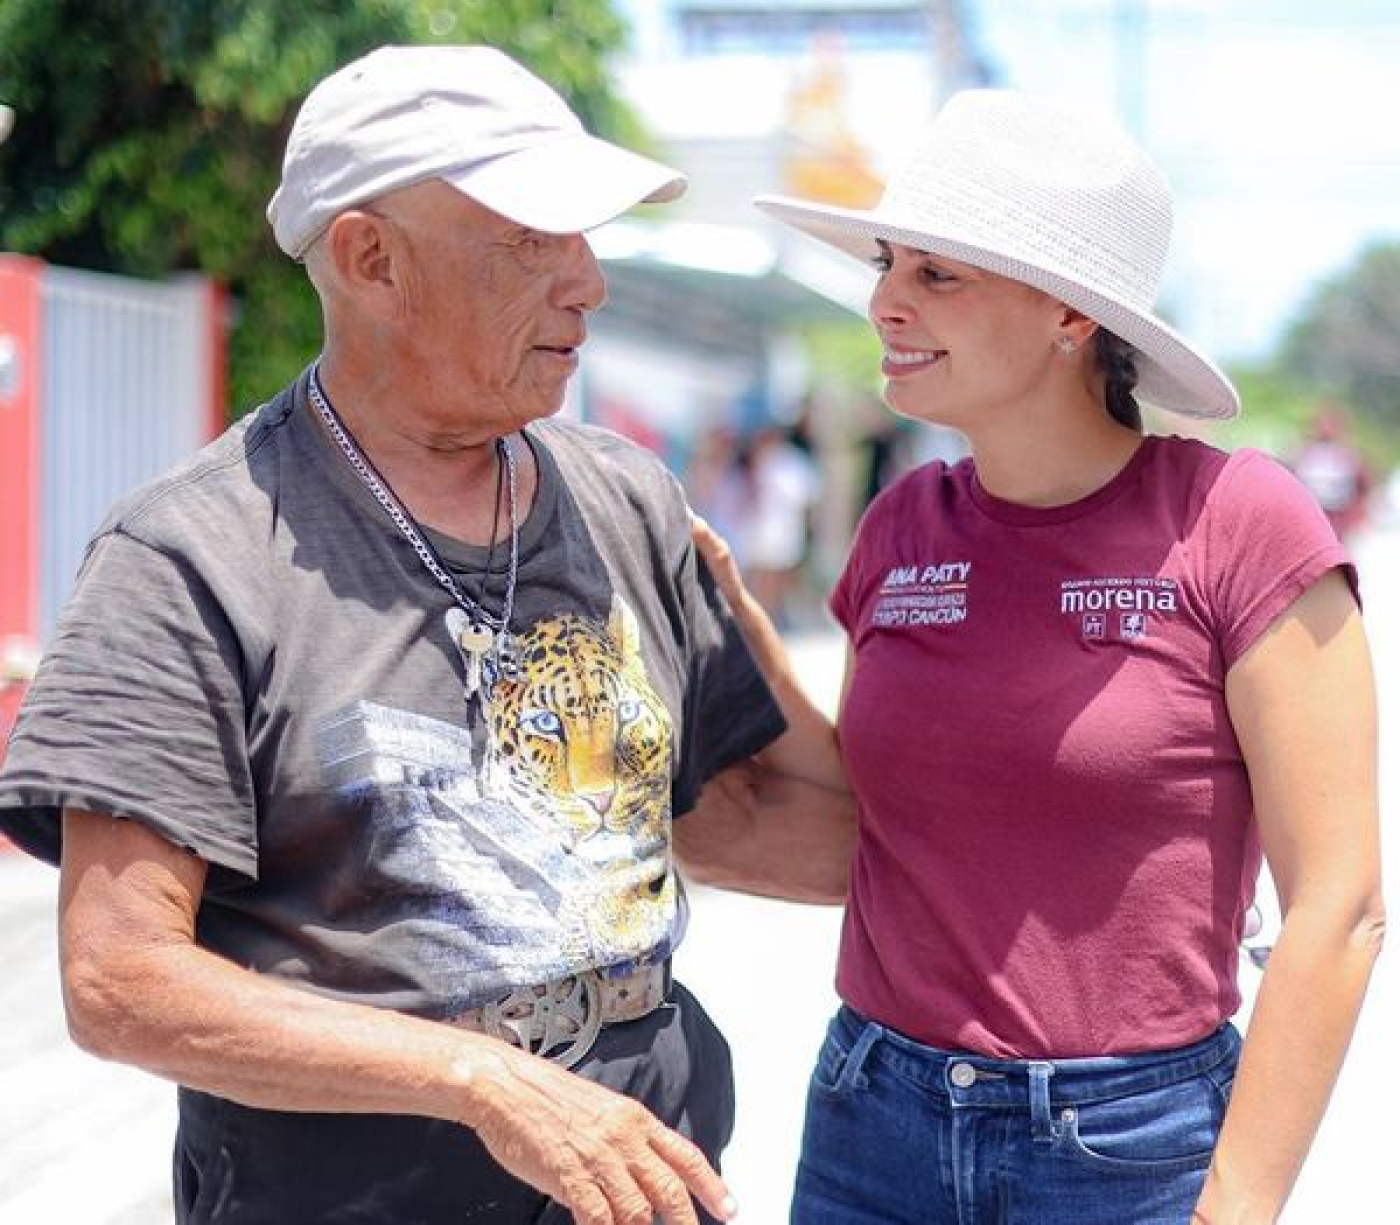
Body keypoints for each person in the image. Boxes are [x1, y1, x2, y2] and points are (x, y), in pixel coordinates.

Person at [0, 45, 852, 1225]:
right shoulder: (190, 558)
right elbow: (120, 978)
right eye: (533, 241)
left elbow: (757, 821)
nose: (589, 282)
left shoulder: (625, 502)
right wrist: (485, 1081)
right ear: (371, 260)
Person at [692, 89, 1384, 1224]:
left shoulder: (1239, 522)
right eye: (887, 263)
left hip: (1128, 1152)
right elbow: (867, 815)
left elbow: (1339, 905)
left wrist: (1232, 1209)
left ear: (1070, 314)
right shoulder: (900, 524)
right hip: (872, 1120)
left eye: (935, 274)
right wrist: (726, 613)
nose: (882, 302)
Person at [1288, 403, 1374, 543]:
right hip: (1310, 517)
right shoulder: (1304, 453)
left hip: (1338, 519)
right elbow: (1289, 481)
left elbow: (1364, 486)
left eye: (1331, 424)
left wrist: (1357, 513)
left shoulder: (1349, 455)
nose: (1325, 429)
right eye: (1321, 424)